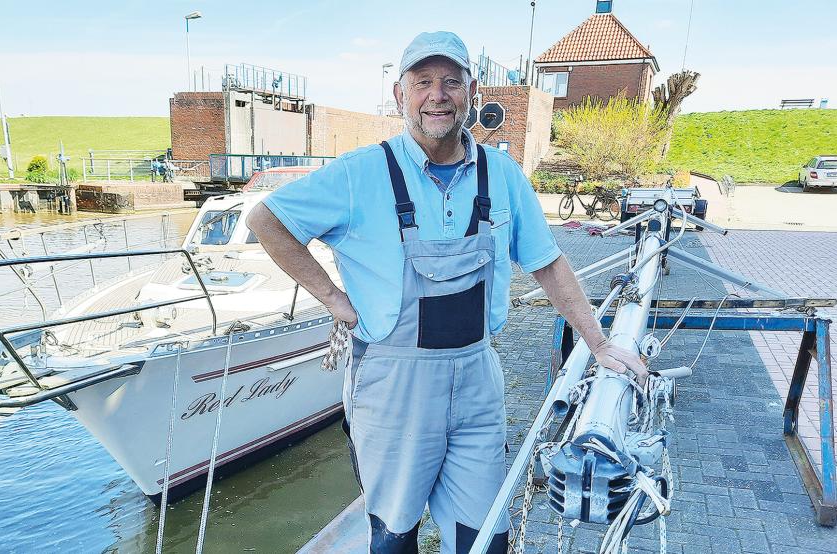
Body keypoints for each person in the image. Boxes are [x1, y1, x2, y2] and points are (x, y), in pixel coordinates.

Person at [246, 31, 647, 554]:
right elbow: (266, 219)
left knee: (486, 536)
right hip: (392, 386)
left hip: (478, 379)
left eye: (451, 82)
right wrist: (334, 300)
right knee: (394, 534)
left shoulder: (501, 174)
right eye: (423, 82)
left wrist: (598, 344)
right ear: (400, 94)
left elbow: (548, 264)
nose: (438, 94)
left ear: (471, 92)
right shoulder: (359, 173)